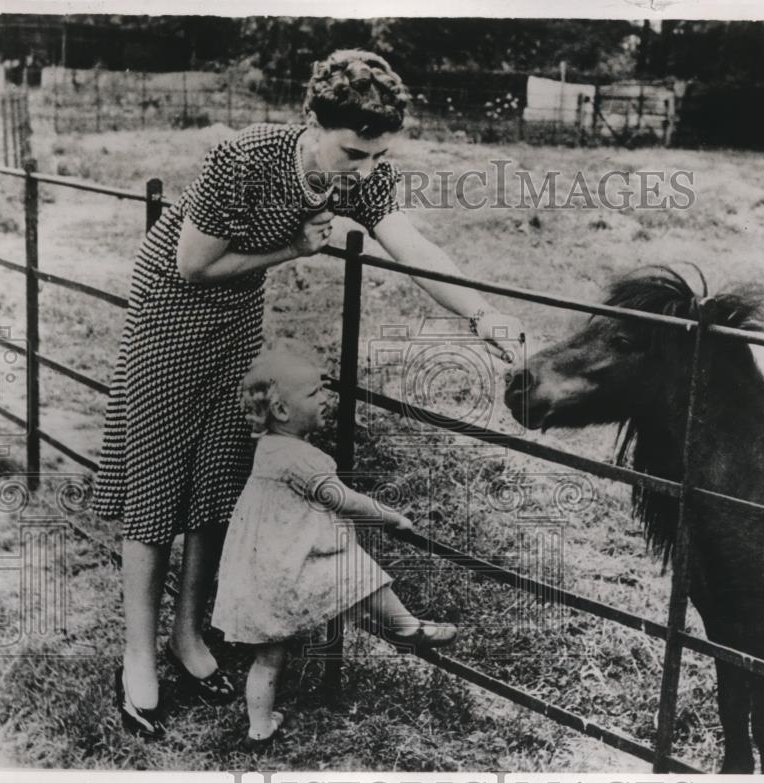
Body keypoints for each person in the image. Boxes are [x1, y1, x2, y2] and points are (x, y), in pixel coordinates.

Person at [92, 48, 527, 739]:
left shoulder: (360, 177)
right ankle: (137, 657)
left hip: (236, 318)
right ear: (311, 121)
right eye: (355, 151)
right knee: (155, 483)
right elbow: (193, 263)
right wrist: (294, 250)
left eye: (379, 155)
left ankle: (189, 637)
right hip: (171, 311)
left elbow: (413, 247)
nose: (365, 170)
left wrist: (482, 315)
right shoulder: (245, 158)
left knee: (216, 478)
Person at [212, 343, 457, 745]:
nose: (327, 399)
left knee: (268, 657)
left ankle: (259, 728)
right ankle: (407, 627)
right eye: (314, 393)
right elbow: (347, 500)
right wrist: (391, 517)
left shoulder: (269, 449)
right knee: (356, 571)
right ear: (283, 412)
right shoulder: (304, 461)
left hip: (258, 573)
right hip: (286, 571)